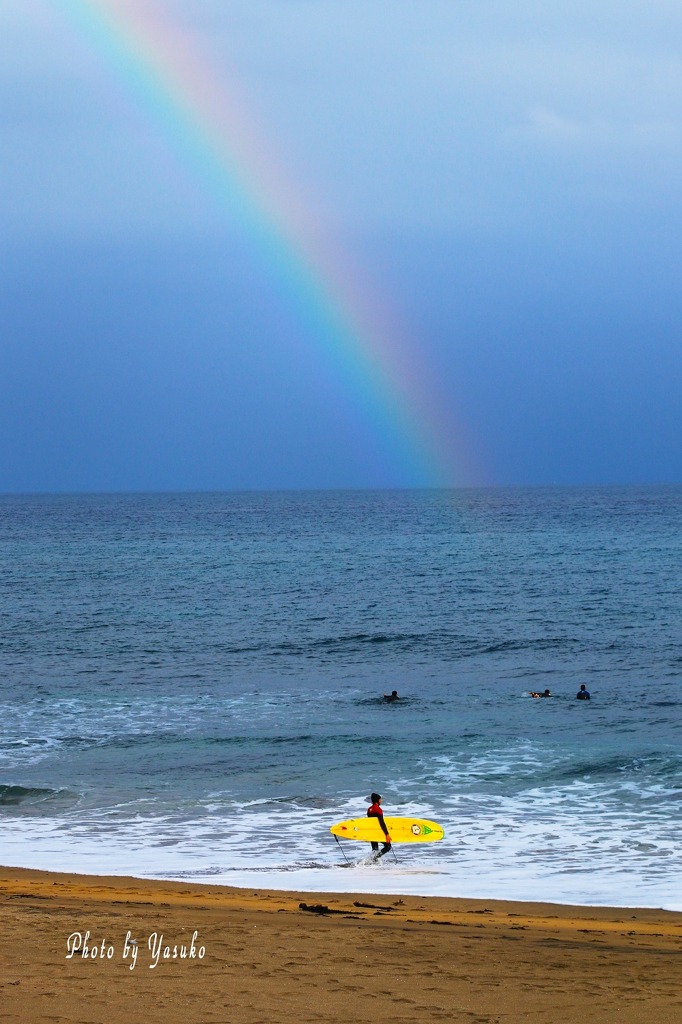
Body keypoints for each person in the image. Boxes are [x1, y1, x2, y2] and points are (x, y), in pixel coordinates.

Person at [367, 792, 392, 859]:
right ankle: (375, 858)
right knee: (388, 846)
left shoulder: (369, 809)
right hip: (378, 831)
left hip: (372, 831)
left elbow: (370, 822)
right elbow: (381, 822)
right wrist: (387, 834)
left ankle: (373, 863)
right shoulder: (378, 809)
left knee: (375, 849)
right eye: (380, 799)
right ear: (377, 800)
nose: (381, 800)